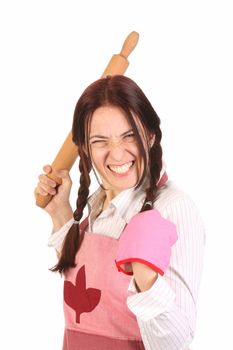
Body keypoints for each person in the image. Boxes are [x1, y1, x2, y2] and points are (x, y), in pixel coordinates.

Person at [35, 75, 205, 350]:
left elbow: (176, 343)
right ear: (85, 150)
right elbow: (88, 289)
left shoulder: (171, 208)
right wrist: (60, 212)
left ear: (149, 136)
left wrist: (146, 279)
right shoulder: (99, 204)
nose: (116, 155)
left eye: (129, 136)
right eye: (100, 141)